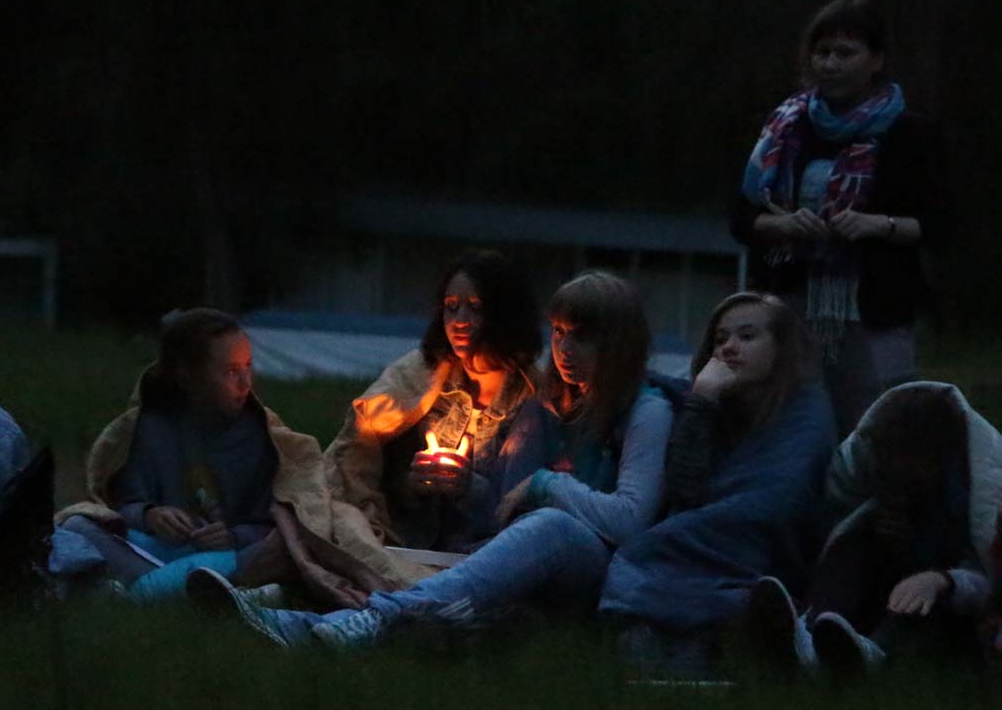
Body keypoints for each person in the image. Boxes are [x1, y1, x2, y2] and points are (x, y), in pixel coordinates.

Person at [187, 271, 674, 649]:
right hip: (525, 554)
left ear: (616, 343)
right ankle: (294, 622)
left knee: (551, 525)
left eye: (581, 337)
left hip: (596, 564)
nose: (564, 350)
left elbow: (629, 521)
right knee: (361, 537)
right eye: (560, 333)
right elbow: (505, 508)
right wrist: (466, 486)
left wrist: (547, 484)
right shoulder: (546, 406)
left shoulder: (645, 411)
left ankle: (367, 616)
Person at [730, 0, 945, 438]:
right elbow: (741, 217)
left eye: (845, 53)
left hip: (873, 310)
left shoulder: (910, 133)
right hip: (790, 305)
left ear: (876, 60)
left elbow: (940, 224)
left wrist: (878, 225)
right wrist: (782, 225)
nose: (830, 64)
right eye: (822, 52)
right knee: (789, 429)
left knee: (874, 428)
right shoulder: (785, 127)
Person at [597, 292, 836, 671]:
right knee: (653, 569)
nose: (729, 348)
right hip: (705, 537)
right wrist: (703, 401)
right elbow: (683, 489)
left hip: (763, 549)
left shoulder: (805, 411)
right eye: (721, 339)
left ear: (781, 346)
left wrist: (710, 524)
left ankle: (744, 625)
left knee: (644, 562)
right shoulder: (715, 402)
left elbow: (781, 499)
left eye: (747, 336)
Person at [746, 381, 1002, 678]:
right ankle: (811, 631)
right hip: (882, 580)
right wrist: (876, 527)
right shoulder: (874, 471)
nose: (906, 485)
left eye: (915, 474)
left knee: (922, 606)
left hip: (946, 599)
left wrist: (943, 580)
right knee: (853, 547)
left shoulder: (974, 492)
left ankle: (870, 652)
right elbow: (838, 514)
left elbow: (990, 576)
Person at [56, 308, 287, 598]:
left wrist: (233, 536)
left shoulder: (266, 437)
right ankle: (180, 590)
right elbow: (121, 505)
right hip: (159, 549)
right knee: (76, 526)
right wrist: (151, 515)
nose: (245, 383)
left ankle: (143, 592)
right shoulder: (150, 429)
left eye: (247, 367)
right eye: (230, 372)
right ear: (188, 378)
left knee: (275, 552)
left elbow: (278, 524)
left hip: (226, 556)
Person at [324, 249, 542, 553]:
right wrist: (412, 484)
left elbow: (531, 501)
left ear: (503, 314)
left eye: (474, 308)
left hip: (491, 553)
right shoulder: (423, 376)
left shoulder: (533, 397)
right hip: (410, 546)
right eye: (451, 308)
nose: (459, 321)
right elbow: (362, 457)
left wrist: (471, 487)